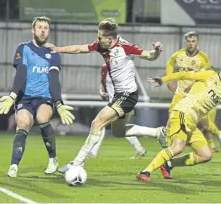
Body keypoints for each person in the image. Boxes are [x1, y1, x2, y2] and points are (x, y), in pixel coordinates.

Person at [46, 18, 165, 173]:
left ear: (110, 39)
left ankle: (77, 163)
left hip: (127, 95)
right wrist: (58, 49)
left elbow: (149, 56)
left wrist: (156, 50)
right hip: (120, 96)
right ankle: (158, 133)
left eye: (100, 37)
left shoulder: (125, 47)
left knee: (97, 122)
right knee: (119, 132)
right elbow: (80, 49)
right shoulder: (102, 46)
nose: (97, 39)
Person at [137, 60, 221, 182]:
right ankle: (145, 172)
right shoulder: (209, 75)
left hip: (192, 123)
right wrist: (163, 79)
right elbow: (185, 75)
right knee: (178, 147)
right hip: (182, 113)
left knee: (206, 155)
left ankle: (168, 164)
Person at [0, 16, 75, 177]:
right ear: (33, 30)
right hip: (25, 97)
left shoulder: (54, 53)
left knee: (43, 117)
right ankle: (14, 165)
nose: (43, 30)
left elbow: (54, 80)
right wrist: (12, 96)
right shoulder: (23, 48)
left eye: (46, 28)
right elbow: (21, 73)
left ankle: (53, 159)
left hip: (44, 96)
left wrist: (59, 103)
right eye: (40, 27)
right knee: (23, 123)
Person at [164, 32, 221, 150]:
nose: (191, 43)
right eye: (188, 41)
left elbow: (207, 76)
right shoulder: (178, 54)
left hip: (195, 95)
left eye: (193, 41)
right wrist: (169, 79)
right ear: (185, 41)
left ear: (197, 42)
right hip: (180, 93)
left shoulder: (203, 58)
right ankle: (169, 145)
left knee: (205, 124)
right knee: (172, 116)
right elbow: (170, 63)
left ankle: (219, 134)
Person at [89, 63, 146, 159]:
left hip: (120, 104)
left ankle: (94, 151)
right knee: (119, 129)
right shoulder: (104, 67)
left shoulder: (124, 67)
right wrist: (102, 91)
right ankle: (141, 149)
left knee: (100, 125)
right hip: (113, 103)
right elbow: (103, 82)